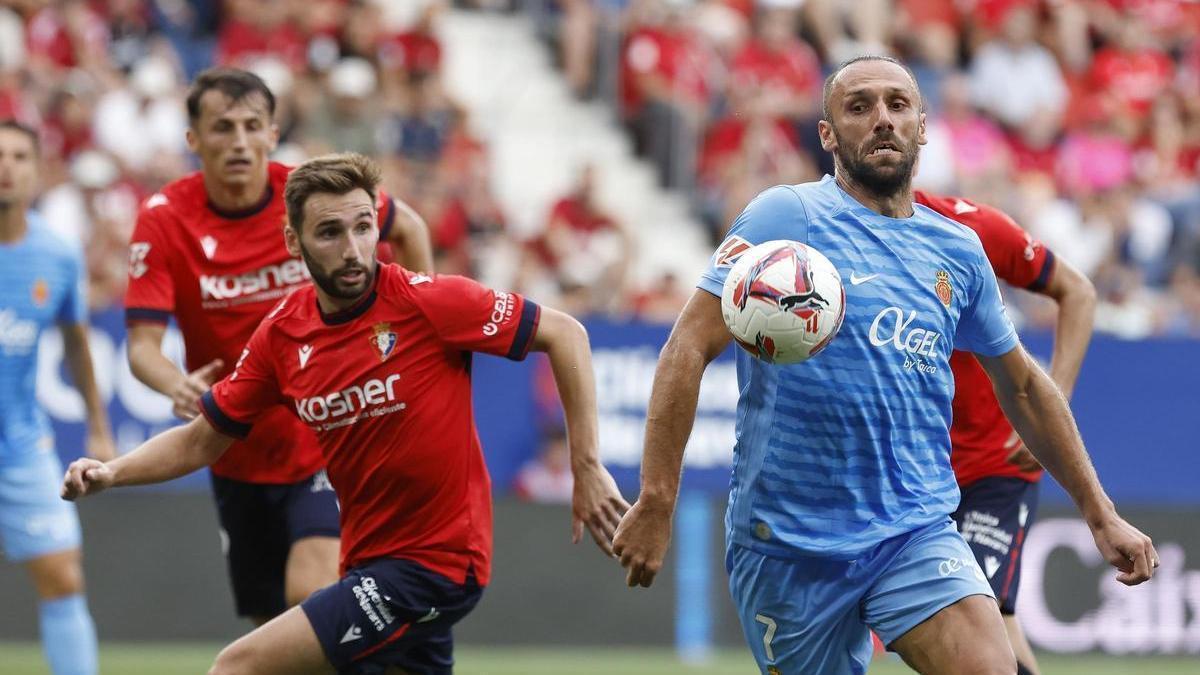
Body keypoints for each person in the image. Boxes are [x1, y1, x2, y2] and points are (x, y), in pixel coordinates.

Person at [611, 56, 1158, 675]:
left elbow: (1026, 387)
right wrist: (657, 499)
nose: (882, 120)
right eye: (859, 106)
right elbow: (686, 347)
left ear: (923, 127)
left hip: (914, 530)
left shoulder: (958, 249)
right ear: (827, 134)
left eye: (898, 105)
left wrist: (1099, 512)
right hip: (788, 544)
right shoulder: (784, 218)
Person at [63, 152, 629, 674]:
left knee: (238, 667)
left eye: (363, 227)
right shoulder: (282, 337)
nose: (354, 248)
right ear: (294, 241)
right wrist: (114, 473)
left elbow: (566, 333)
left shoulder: (428, 301)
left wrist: (585, 466)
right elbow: (201, 439)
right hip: (367, 564)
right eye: (330, 232)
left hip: (436, 565)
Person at [123, 67, 434, 626]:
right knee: (269, 627)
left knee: (310, 592)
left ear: (273, 132)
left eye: (252, 126)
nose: (239, 141)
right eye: (222, 127)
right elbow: (142, 346)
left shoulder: (312, 199)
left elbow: (407, 228)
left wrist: (418, 336)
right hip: (234, 446)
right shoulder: (165, 219)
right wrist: (178, 384)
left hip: (329, 435)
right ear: (193, 140)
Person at [916, 190, 1097, 675]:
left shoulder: (973, 228)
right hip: (914, 474)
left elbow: (1077, 291)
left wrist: (1050, 409)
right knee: (997, 626)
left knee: (978, 620)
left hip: (994, 465)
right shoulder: (840, 235)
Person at [0, 120, 115, 675]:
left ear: (38, 169)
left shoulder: (58, 253)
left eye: (20, 156)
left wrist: (97, 423)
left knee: (64, 575)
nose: (7, 167)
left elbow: (77, 343)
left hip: (19, 448)